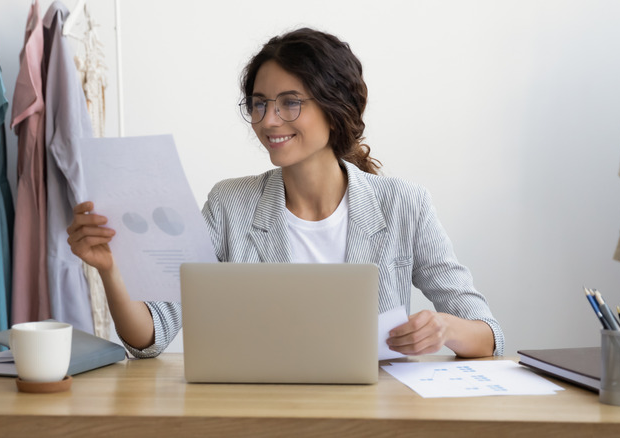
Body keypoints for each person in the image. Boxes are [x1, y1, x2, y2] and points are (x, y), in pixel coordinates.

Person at [67, 28, 504, 359]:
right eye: (259, 103)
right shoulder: (228, 206)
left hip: (376, 412)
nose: (269, 120)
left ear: (335, 107)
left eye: (289, 102)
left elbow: (488, 334)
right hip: (263, 411)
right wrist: (111, 270)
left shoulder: (404, 204)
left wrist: (444, 329)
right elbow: (152, 336)